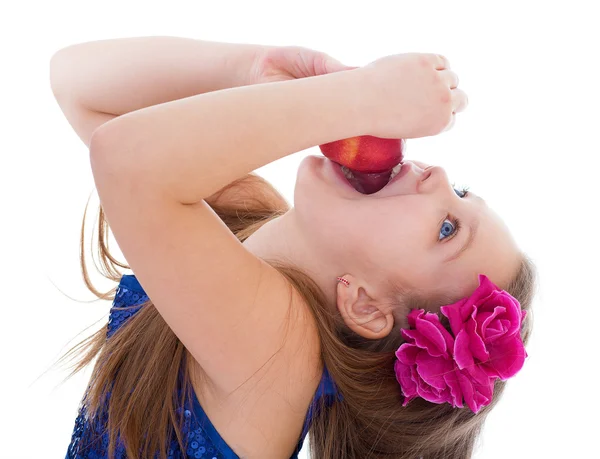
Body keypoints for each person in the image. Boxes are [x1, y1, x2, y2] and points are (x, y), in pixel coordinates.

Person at [50, 36, 537, 459]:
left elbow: (125, 159)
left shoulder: (279, 352)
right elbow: (79, 85)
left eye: (448, 229)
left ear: (365, 304)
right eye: (464, 192)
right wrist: (250, 73)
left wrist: (361, 99)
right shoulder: (248, 213)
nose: (441, 175)